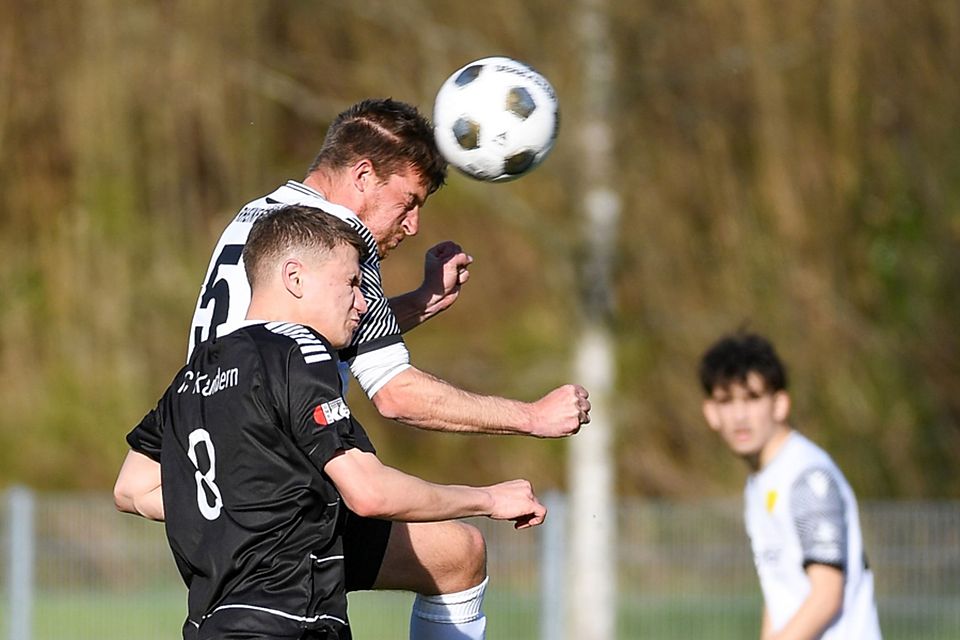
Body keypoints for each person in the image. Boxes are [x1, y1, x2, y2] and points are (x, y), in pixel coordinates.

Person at [115, 97, 589, 640]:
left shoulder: (263, 219)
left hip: (220, 463)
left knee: (455, 553)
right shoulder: (337, 237)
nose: (412, 225)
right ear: (363, 175)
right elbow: (395, 394)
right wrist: (532, 417)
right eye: (408, 202)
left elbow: (299, 333)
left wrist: (417, 303)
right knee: (454, 552)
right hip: (283, 475)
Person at [698, 331, 882, 640]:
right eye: (726, 401)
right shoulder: (762, 482)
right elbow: (781, 593)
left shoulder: (807, 476)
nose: (739, 416)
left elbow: (826, 594)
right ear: (711, 413)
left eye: (752, 398)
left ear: (780, 404)